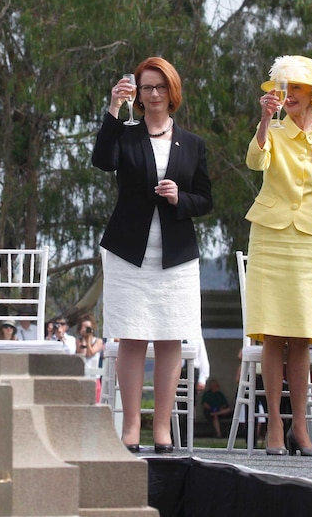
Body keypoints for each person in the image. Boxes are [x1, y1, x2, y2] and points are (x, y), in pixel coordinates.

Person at [92, 57, 213, 454]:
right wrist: (113, 109)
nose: (154, 94)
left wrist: (181, 198)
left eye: (161, 86)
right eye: (147, 87)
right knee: (131, 336)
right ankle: (130, 427)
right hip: (129, 252)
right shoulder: (125, 134)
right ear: (138, 94)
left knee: (168, 338)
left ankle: (162, 429)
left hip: (176, 256)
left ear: (172, 91)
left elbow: (205, 200)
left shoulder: (193, 143)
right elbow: (101, 160)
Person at [246, 55, 312, 456]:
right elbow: (255, 162)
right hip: (270, 239)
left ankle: (301, 428)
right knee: (272, 333)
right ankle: (274, 422)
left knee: (303, 337)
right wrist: (263, 122)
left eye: (297, 88)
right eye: (283, 88)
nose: (288, 94)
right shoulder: (271, 129)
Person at [76, 314, 104, 402]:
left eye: (88, 327)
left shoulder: (98, 341)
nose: (86, 330)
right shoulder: (78, 341)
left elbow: (90, 353)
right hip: (82, 377)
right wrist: (84, 340)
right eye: (84, 327)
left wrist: (89, 339)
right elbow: (81, 353)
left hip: (94, 378)